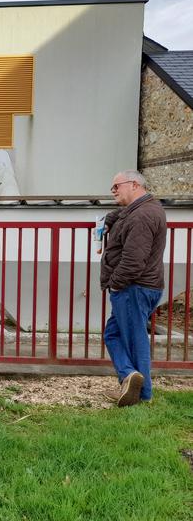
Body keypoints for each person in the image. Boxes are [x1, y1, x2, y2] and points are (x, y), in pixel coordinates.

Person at [101, 170, 167, 407]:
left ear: (135, 184)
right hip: (139, 286)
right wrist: (110, 219)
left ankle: (143, 393)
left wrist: (116, 284)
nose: (113, 191)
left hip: (133, 287)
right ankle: (129, 377)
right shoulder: (144, 209)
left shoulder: (142, 216)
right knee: (113, 333)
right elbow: (124, 215)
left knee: (135, 338)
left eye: (116, 186)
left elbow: (133, 261)